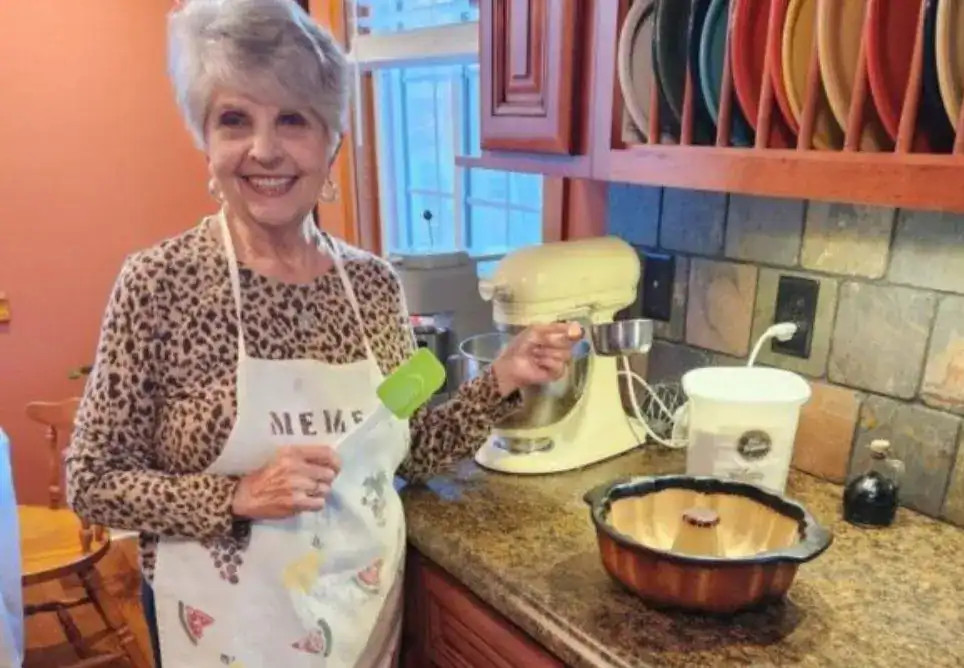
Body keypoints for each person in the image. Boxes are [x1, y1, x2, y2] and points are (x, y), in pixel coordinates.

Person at [64, 1, 582, 666]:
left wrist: (504, 377)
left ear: (332, 140)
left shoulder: (371, 286)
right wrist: (236, 495)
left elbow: (407, 451)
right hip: (225, 634)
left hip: (358, 620)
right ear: (204, 136)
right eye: (234, 119)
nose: (264, 149)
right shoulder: (160, 285)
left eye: (291, 119)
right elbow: (92, 479)